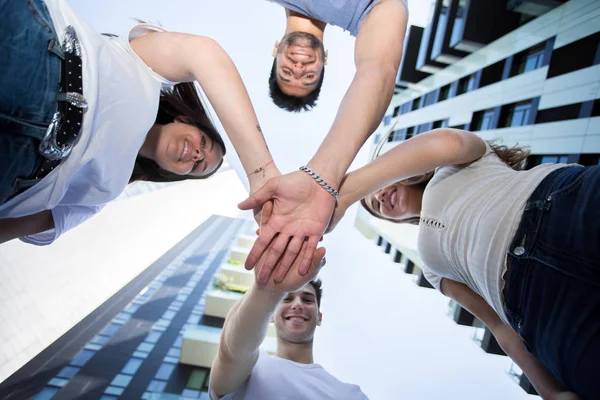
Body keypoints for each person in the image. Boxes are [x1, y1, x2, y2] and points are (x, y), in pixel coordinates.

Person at [326, 127, 597, 400]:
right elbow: (497, 324)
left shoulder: (452, 165)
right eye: (376, 205)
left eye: (376, 189)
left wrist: (348, 190)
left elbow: (449, 141)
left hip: (562, 208)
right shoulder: (430, 265)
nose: (380, 196)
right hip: (537, 307)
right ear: (394, 221)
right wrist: (552, 392)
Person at [0, 0, 278, 245]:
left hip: (18, 165)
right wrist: (262, 175)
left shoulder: (103, 195)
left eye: (197, 165)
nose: (196, 154)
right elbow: (203, 52)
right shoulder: (150, 71)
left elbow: (13, 226)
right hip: (34, 51)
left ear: (172, 173)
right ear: (186, 120)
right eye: (203, 144)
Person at [238, 0, 409, 281]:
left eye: (287, 72)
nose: (299, 65)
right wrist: (322, 177)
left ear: (274, 52)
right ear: (325, 60)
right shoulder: (370, 11)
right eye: (308, 76)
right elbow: (378, 71)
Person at [209, 231, 367, 400]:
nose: (297, 304)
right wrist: (268, 288)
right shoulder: (251, 367)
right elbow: (230, 353)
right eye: (286, 298)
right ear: (271, 316)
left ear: (319, 317)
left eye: (307, 300)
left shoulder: (349, 395)